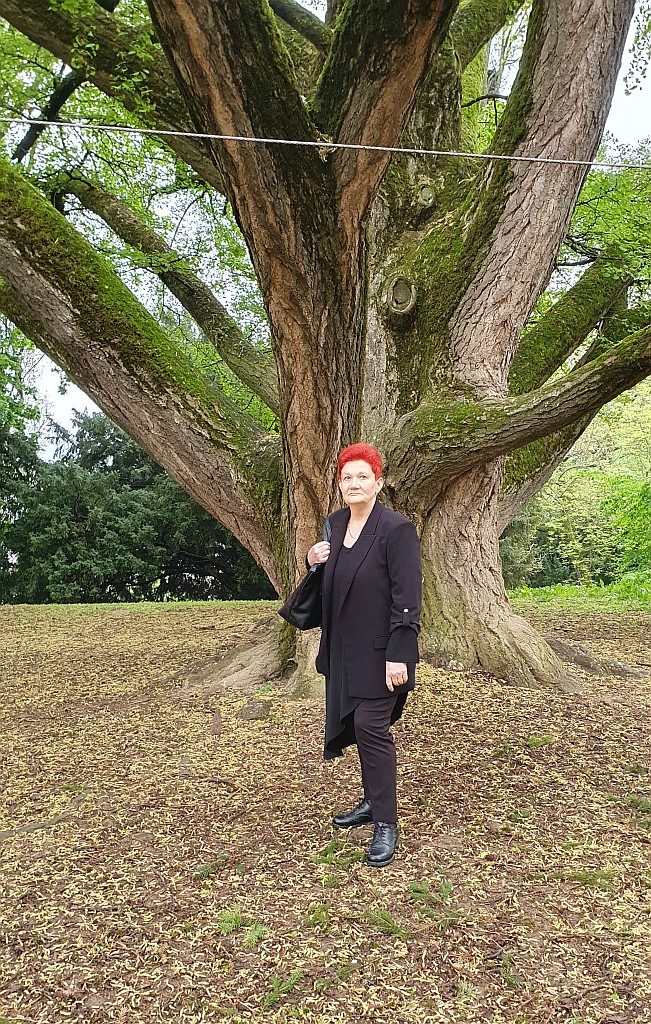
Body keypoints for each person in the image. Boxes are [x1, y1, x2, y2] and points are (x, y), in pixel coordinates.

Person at [306, 443, 422, 867]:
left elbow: (407, 598)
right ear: (340, 484)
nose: (354, 484)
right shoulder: (335, 525)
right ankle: (373, 801)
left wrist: (399, 654)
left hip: (383, 652)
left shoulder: (396, 530)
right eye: (347, 477)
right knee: (358, 725)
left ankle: (386, 822)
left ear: (378, 481)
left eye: (363, 477)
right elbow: (330, 582)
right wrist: (312, 560)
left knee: (372, 727)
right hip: (343, 650)